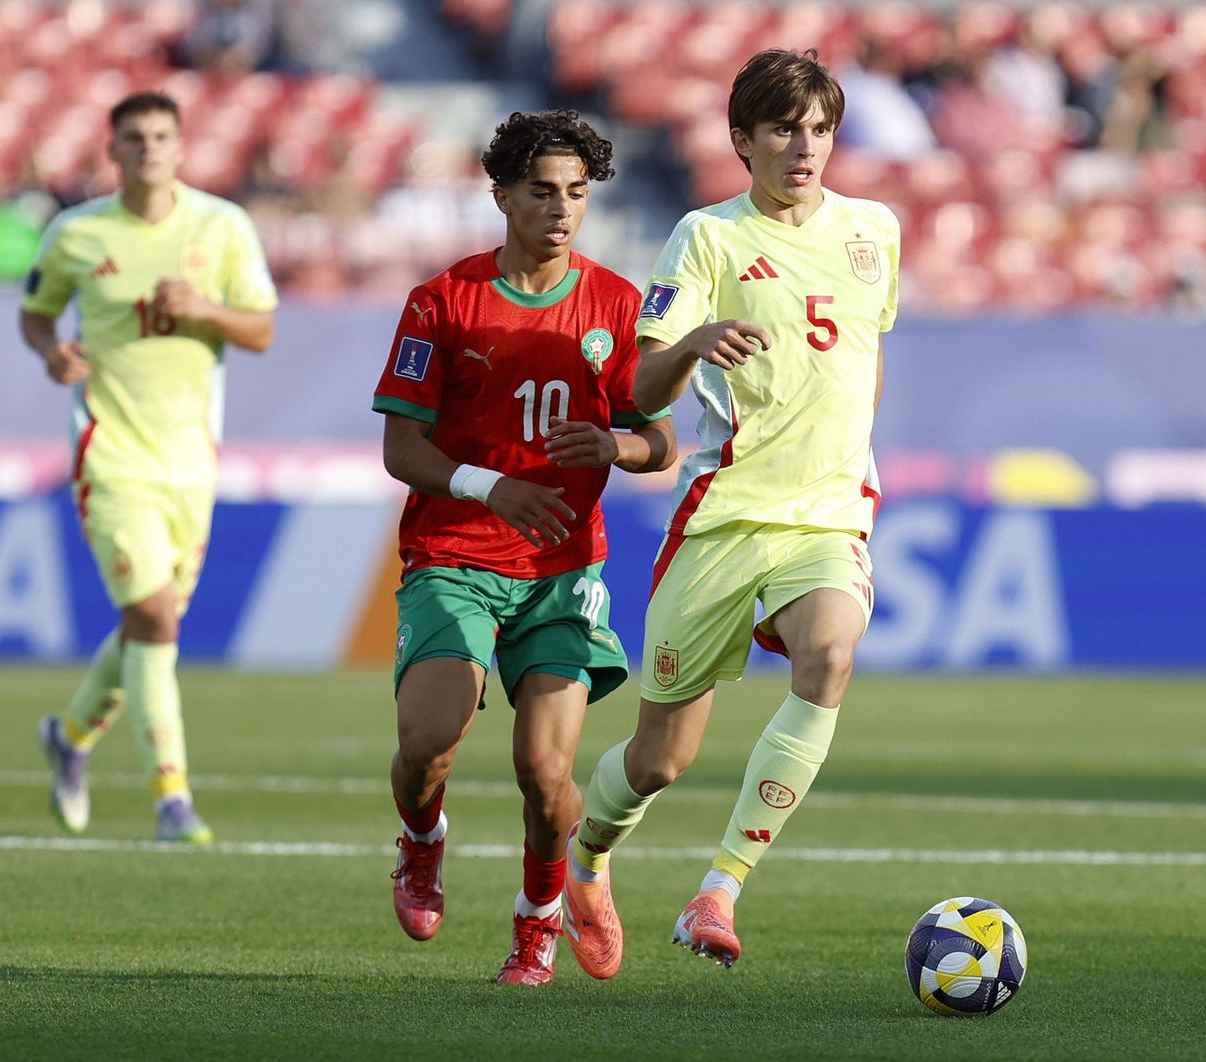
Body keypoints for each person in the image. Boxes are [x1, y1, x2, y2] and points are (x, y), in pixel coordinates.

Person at [561, 48, 900, 977]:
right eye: (785, 128)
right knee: (660, 757)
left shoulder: (876, 230)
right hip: (721, 517)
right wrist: (697, 339)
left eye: (820, 128)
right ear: (742, 140)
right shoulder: (706, 238)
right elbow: (640, 378)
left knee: (831, 653)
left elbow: (864, 353)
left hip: (827, 513)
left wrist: (845, 460)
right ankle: (584, 862)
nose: (805, 146)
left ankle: (721, 887)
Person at [371, 110, 676, 987]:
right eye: (542, 191)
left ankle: (537, 923)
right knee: (428, 744)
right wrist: (491, 485)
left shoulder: (616, 305)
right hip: (456, 557)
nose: (562, 208)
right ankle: (422, 840)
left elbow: (660, 442)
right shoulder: (443, 301)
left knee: (546, 776)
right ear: (502, 194)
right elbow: (402, 450)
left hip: (560, 572)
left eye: (577, 193)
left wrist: (618, 447)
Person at [20, 91, 278, 843]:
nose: (148, 148)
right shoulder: (76, 233)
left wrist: (203, 308)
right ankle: (172, 798)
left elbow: (260, 330)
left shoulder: (222, 226)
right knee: (155, 618)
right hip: (111, 452)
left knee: (148, 622)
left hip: (191, 460)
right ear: (113, 150)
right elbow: (36, 313)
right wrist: (51, 351)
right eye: (134, 137)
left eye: (162, 135)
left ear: (181, 147)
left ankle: (70, 737)